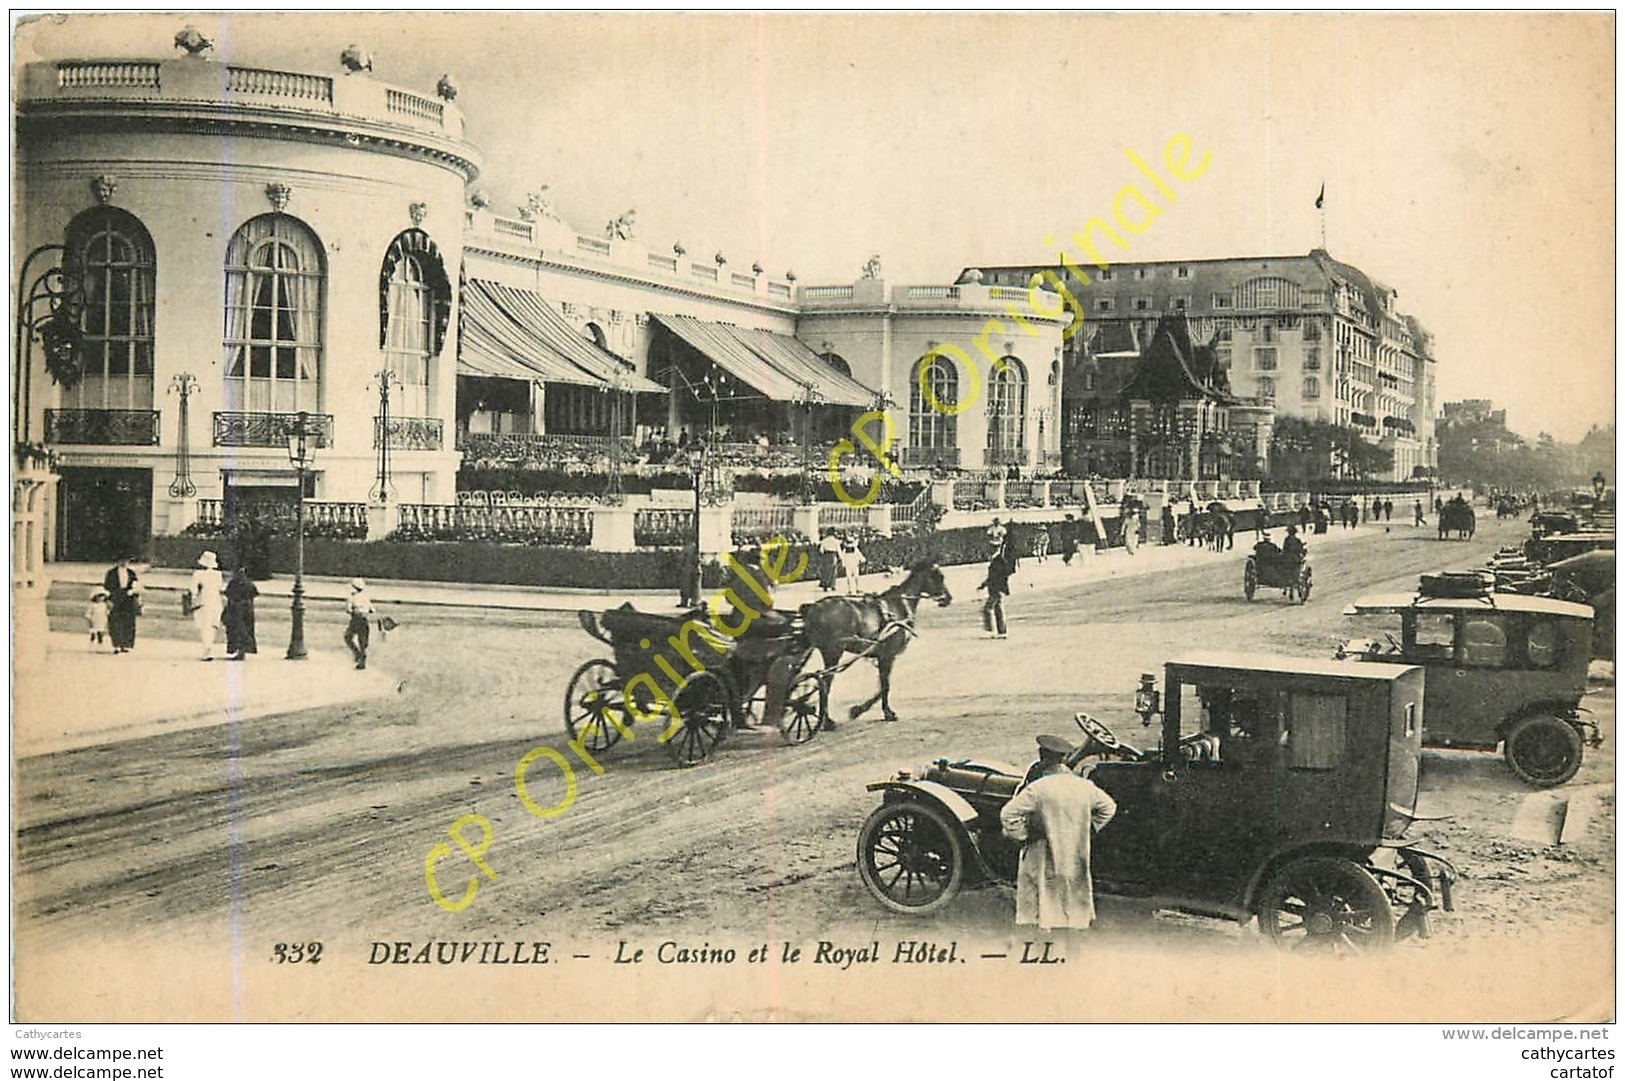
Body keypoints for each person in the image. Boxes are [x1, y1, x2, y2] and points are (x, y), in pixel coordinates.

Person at [999, 735, 1117, 935]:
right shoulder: (1084, 786)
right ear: (1063, 759)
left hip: (1043, 849)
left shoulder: (1038, 789)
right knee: (1073, 888)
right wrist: (1089, 829)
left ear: (1043, 758)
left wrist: (1023, 836)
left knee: (1043, 889)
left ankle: (1043, 935)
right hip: (1075, 848)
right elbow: (1109, 807)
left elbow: (1008, 814)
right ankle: (1074, 931)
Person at [189, 550, 226, 661]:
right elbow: (220, 587)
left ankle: (207, 649)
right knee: (213, 625)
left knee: (204, 626)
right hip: (215, 601)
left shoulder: (198, 574)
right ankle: (210, 647)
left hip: (203, 601)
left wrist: (193, 598)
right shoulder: (218, 574)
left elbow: (193, 589)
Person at [102, 554, 142, 654]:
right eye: (122, 560)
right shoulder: (111, 573)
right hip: (116, 598)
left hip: (128, 599)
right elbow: (107, 587)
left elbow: (136, 586)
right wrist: (109, 599)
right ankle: (117, 644)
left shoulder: (131, 573)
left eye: (126, 561)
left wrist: (134, 594)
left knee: (128, 621)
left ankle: (126, 644)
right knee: (115, 621)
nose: (124, 562)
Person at [223, 562, 259, 660]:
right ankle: (243, 650)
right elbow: (254, 595)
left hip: (235, 608)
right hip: (248, 609)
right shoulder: (249, 583)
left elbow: (228, 595)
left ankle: (237, 650)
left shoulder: (233, 583)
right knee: (246, 630)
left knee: (236, 630)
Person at [978, 544, 1013, 639]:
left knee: (988, 608)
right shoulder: (996, 559)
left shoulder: (999, 560)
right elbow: (992, 577)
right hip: (996, 588)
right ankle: (1002, 631)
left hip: (996, 589)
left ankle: (990, 630)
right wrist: (983, 585)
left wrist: (1000, 585)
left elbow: (1004, 573)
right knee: (998, 610)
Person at [345, 578, 376, 670]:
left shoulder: (351, 597)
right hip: (364, 620)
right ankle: (362, 661)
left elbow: (348, 610)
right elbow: (373, 610)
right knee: (362, 641)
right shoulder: (366, 597)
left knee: (348, 637)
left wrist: (355, 609)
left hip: (355, 620)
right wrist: (365, 609)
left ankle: (357, 654)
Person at [85, 587, 109, 651]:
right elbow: (88, 614)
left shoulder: (104, 605)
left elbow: (106, 613)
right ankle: (91, 646)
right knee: (93, 635)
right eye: (99, 596)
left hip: (101, 621)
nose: (101, 598)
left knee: (100, 635)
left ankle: (100, 647)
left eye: (102, 597)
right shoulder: (93, 605)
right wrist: (90, 621)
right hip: (94, 621)